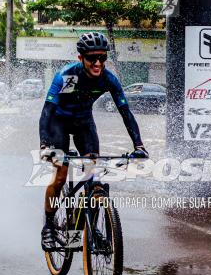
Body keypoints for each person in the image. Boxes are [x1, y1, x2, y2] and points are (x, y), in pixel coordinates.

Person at [39, 32, 148, 251]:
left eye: (102, 58)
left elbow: (125, 112)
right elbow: (47, 112)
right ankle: (49, 225)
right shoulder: (66, 75)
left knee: (94, 176)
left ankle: (87, 223)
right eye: (92, 58)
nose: (98, 63)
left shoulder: (109, 79)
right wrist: (45, 145)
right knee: (61, 175)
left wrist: (139, 145)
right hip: (59, 123)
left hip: (83, 124)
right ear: (81, 58)